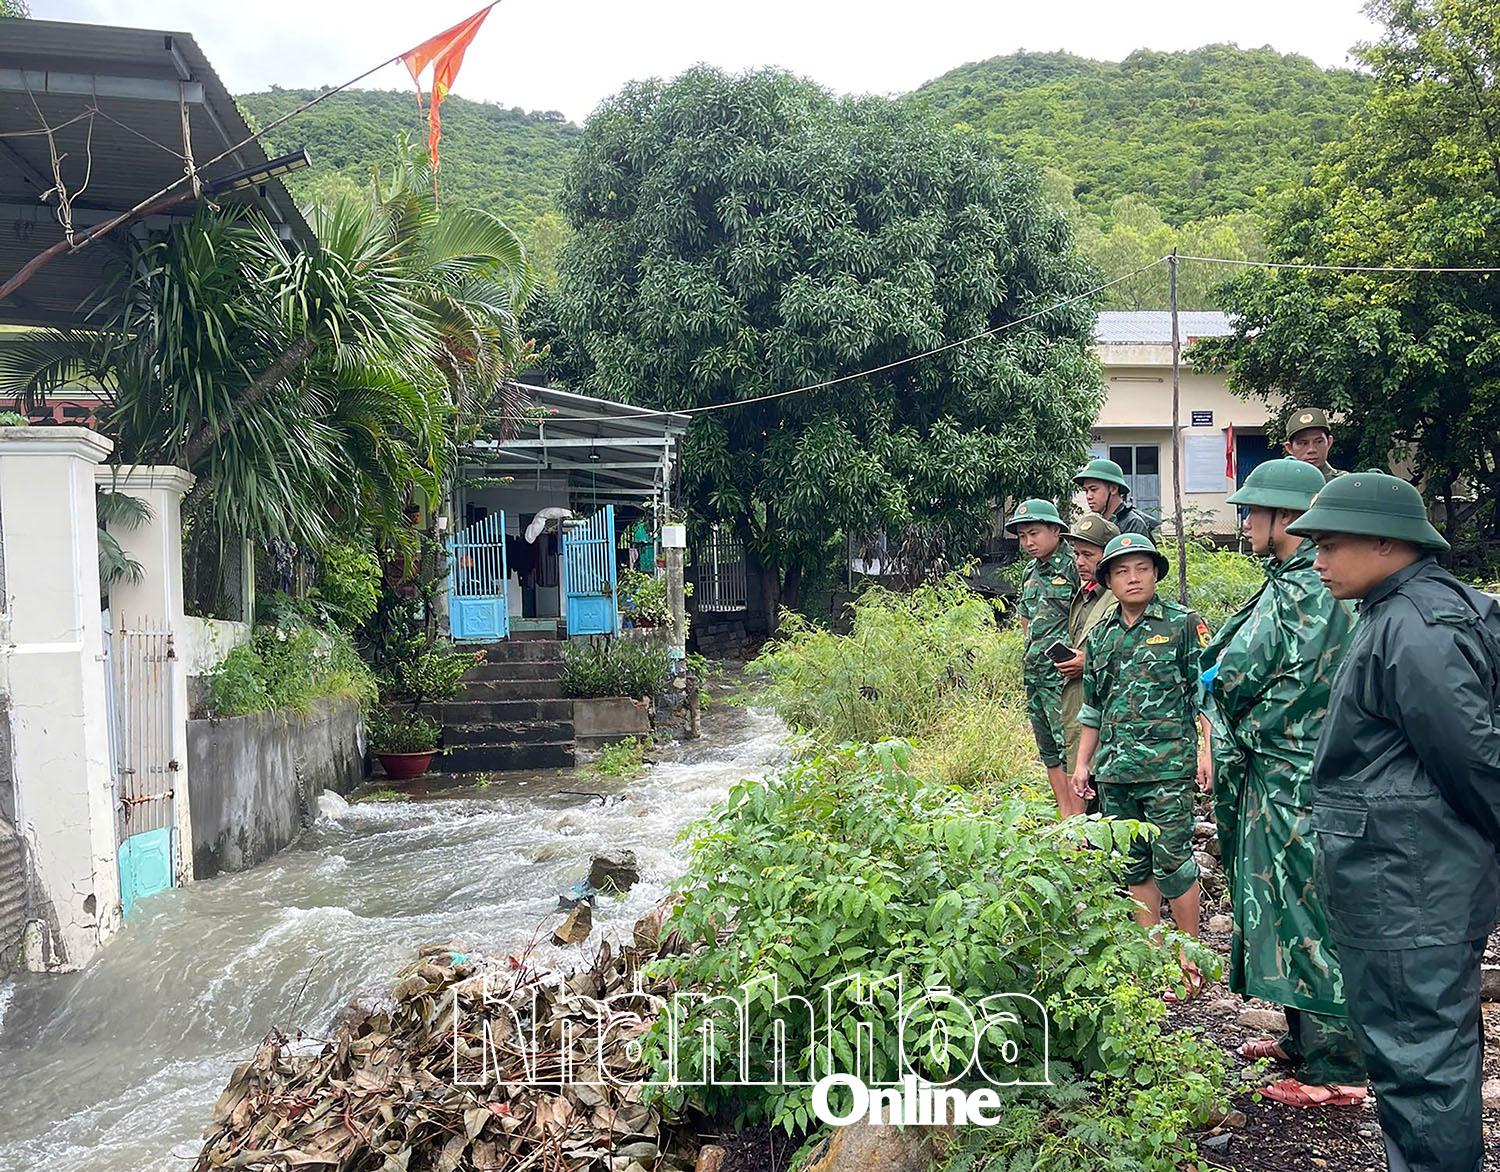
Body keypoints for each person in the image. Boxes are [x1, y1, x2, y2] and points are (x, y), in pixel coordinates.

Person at [1286, 472, 1500, 1172]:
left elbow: (1473, 763)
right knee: (1422, 1057)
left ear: (1387, 540)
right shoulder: (1401, 610)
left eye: (1329, 544)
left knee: (1421, 1065)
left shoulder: (1415, 628)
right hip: (1408, 882)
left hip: (1409, 888)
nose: (1316, 560)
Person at [1197, 458, 1366, 1108]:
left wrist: (1215, 693)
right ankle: (1301, 1041)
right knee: (1281, 910)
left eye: (1252, 512)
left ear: (1286, 519)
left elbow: (1252, 678)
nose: (1243, 523)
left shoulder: (1308, 589)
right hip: (1277, 776)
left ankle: (1338, 1068)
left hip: (1294, 780)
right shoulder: (1290, 582)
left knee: (1305, 911)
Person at [1073, 533, 1210, 993]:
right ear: (1108, 579)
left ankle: (1189, 961)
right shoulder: (1103, 634)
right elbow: (1093, 706)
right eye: (1122, 571)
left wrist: (1207, 751)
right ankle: (1154, 963)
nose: (1134, 578)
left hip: (1169, 767)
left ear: (1155, 574)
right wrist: (1081, 765)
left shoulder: (1183, 624)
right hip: (1115, 770)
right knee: (1135, 867)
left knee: (1175, 864)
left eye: (1143, 569)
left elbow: (1204, 692)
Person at [1007, 498, 1082, 817]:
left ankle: (1080, 822)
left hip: (1063, 676)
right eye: (1022, 536)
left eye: (1034, 533)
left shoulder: (1073, 565)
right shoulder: (1030, 571)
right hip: (1035, 674)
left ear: (1056, 530)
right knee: (1048, 749)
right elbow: (1026, 619)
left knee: (1070, 747)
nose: (1028, 542)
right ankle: (1065, 817)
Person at [1057, 512, 1120, 788]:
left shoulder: (1121, 596)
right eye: (1076, 554)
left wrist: (1089, 662)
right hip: (1081, 703)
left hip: (1111, 712)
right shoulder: (1084, 595)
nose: (1080, 562)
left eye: (1088, 554)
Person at [1073, 457, 1158, 544]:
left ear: (1113, 489)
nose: (1088, 496)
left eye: (1094, 489)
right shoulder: (1099, 522)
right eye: (1086, 491)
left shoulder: (1132, 523)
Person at [1283, 407, 1345, 482]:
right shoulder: (1278, 482)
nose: (1311, 450)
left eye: (1318, 442)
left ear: (1329, 442)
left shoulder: (1345, 483)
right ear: (1289, 448)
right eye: (1303, 443)